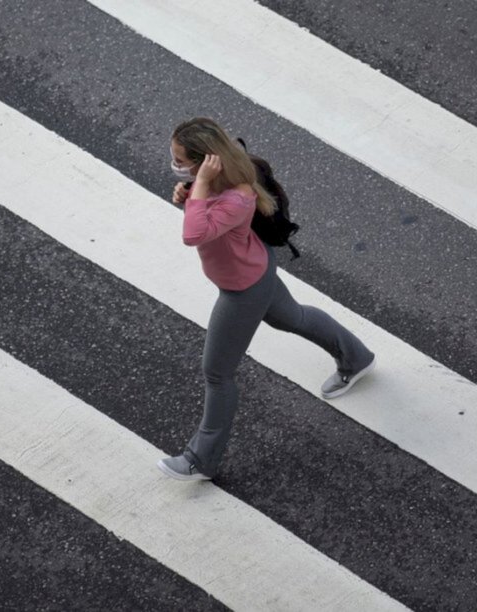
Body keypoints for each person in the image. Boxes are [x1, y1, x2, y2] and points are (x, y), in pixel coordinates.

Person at [157, 117, 376, 482]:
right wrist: (192, 191)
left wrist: (199, 190)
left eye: (180, 159)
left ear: (206, 161)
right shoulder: (221, 176)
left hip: (242, 289)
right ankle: (356, 357)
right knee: (292, 317)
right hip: (255, 267)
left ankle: (200, 460)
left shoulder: (237, 196)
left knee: (217, 373)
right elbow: (205, 215)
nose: (175, 163)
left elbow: (194, 234)